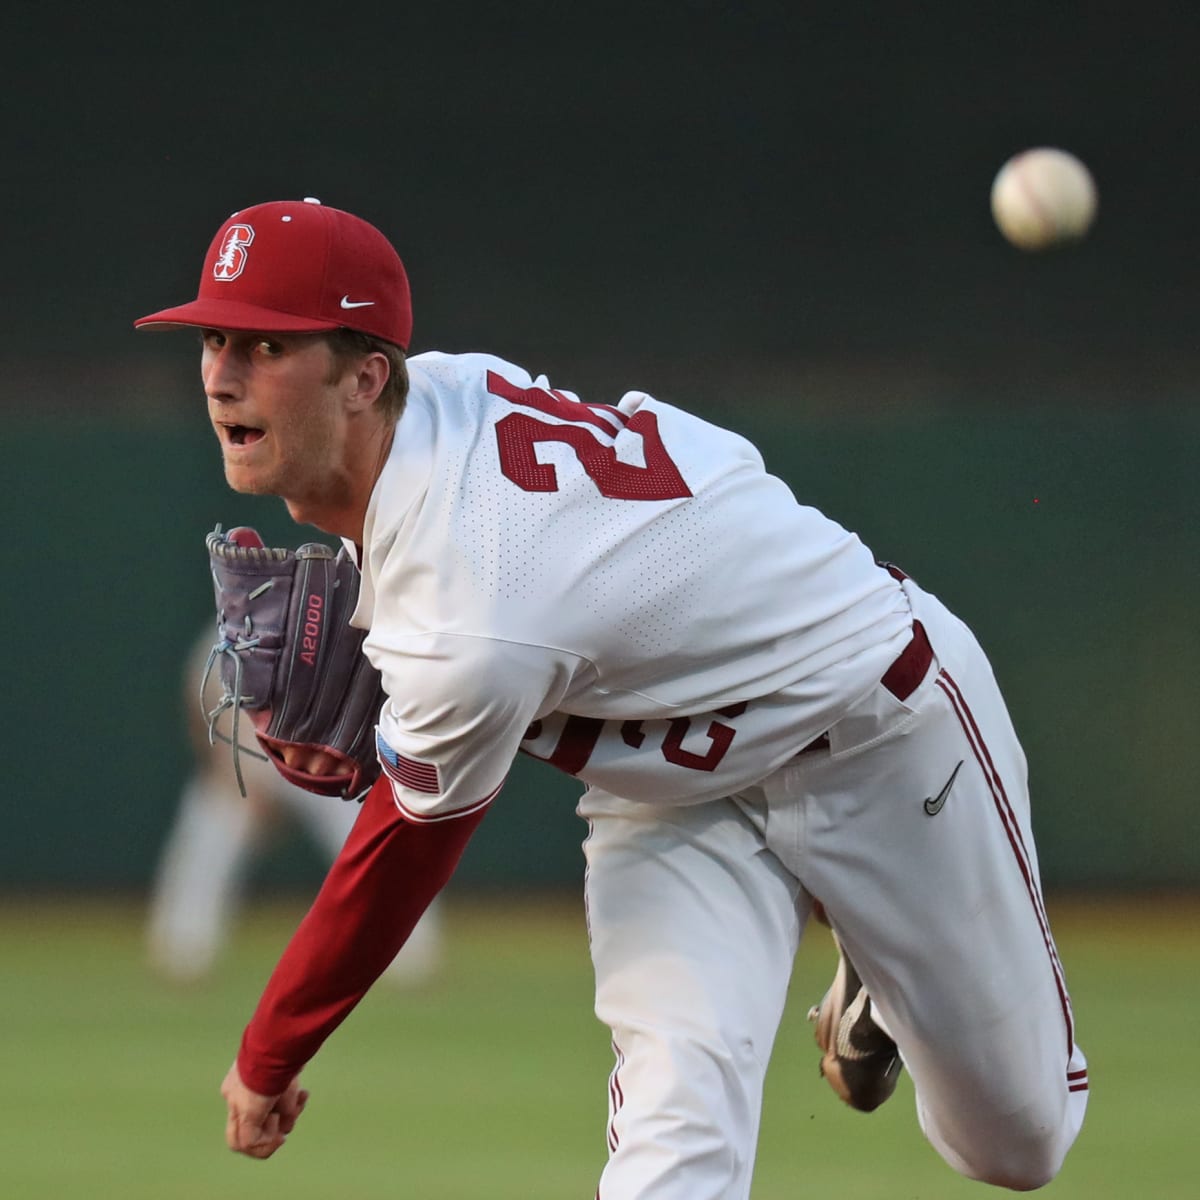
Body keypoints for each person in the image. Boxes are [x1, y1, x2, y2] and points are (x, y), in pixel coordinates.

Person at [135, 197, 1088, 1197]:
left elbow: (403, 852)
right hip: (675, 791)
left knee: (1013, 1147)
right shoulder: (430, 406)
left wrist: (267, 1053)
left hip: (874, 728)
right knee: (673, 1143)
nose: (221, 374)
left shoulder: (472, 606)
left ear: (366, 376)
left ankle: (881, 977)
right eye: (213, 338)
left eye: (267, 346)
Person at [146, 625, 443, 987]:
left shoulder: (331, 623)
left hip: (319, 756)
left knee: (371, 837)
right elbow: (202, 704)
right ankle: (184, 949)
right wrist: (225, 769)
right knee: (210, 828)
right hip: (249, 758)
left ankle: (410, 952)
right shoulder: (225, 630)